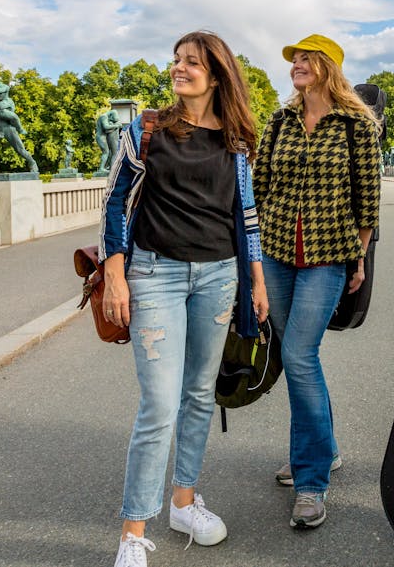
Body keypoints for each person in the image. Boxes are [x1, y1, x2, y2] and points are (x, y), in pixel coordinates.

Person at [100, 30, 269, 567]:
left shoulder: (237, 140)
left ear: (216, 75)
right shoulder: (148, 128)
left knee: (198, 394)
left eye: (192, 62)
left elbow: (245, 215)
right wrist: (114, 273)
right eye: (176, 60)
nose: (179, 68)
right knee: (158, 403)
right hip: (155, 274)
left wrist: (256, 279)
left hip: (218, 276)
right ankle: (133, 533)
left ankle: (184, 502)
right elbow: (115, 201)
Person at [253, 34, 381, 529]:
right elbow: (259, 187)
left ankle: (310, 481)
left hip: (329, 256)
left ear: (328, 67)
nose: (297, 66)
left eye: (306, 59)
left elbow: (367, 200)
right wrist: (253, 260)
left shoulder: (356, 125)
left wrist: (360, 258)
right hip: (276, 250)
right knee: (296, 355)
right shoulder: (280, 121)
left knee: (300, 355)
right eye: (295, 61)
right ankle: (322, 449)